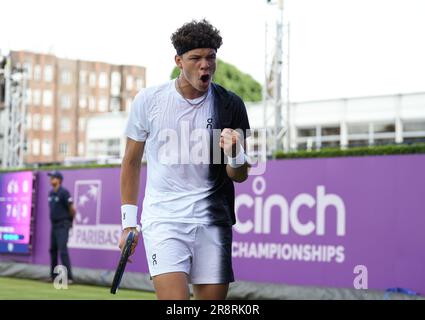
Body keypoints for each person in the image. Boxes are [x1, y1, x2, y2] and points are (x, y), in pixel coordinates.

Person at [119, 19, 251, 300]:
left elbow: (238, 175)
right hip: (164, 221)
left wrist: (236, 152)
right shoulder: (148, 100)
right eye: (196, 58)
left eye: (210, 57)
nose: (205, 65)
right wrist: (129, 223)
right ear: (179, 61)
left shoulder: (231, 104)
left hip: (214, 221)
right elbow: (131, 161)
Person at [48, 170, 76, 283]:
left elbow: (72, 209)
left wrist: (69, 222)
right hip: (54, 225)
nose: (51, 179)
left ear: (59, 180)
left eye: (53, 177)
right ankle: (53, 276)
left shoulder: (64, 192)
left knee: (62, 250)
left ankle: (69, 277)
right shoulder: (50, 193)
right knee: (53, 250)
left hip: (63, 225)